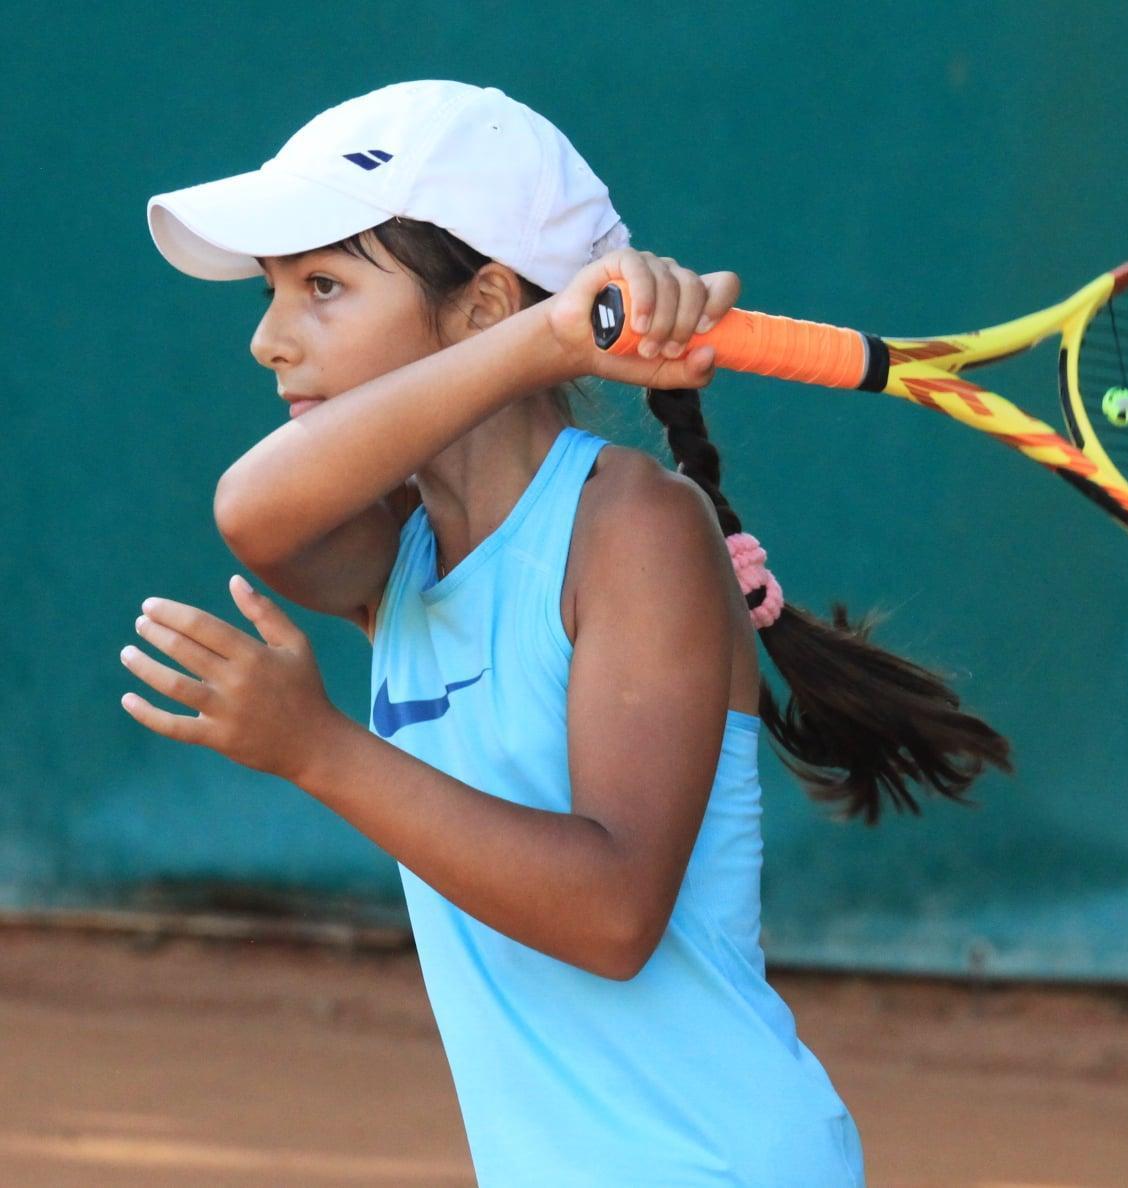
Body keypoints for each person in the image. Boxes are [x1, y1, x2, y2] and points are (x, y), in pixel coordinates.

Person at [122, 80, 1011, 1184]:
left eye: (324, 287)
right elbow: (252, 509)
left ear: (485, 304)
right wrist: (548, 339)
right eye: (273, 291)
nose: (269, 339)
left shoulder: (635, 527)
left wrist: (318, 750)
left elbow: (612, 915)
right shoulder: (397, 558)